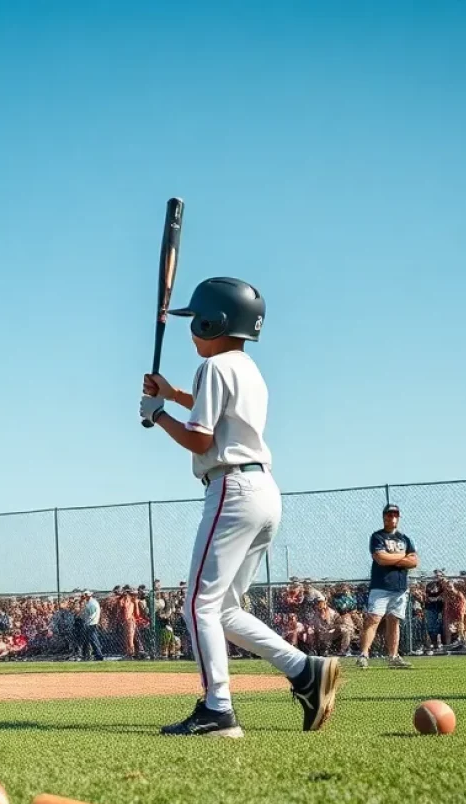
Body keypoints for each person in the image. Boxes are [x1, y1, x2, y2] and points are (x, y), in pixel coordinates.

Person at [139, 277, 341, 736]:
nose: (192, 330)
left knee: (197, 605)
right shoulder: (246, 369)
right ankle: (303, 670)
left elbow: (201, 437)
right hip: (264, 492)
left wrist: (157, 414)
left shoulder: (212, 369)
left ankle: (218, 709)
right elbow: (218, 412)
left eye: (196, 322)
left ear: (215, 322)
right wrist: (169, 395)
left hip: (230, 488)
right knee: (225, 608)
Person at [356, 504, 418, 669]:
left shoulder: (405, 539)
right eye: (389, 515)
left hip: (400, 587)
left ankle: (393, 656)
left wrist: (393, 557)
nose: (392, 518)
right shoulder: (377, 537)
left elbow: (414, 561)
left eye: (395, 515)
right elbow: (380, 558)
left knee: (394, 621)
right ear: (384, 517)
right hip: (381, 585)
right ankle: (363, 654)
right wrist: (402, 558)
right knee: (373, 620)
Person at [79, 590, 104, 661]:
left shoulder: (92, 603)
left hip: (91, 623)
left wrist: (87, 622)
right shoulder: (89, 602)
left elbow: (92, 615)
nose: (84, 597)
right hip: (90, 623)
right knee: (89, 640)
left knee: (93, 640)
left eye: (85, 595)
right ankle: (87, 654)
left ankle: (99, 655)